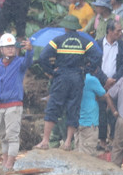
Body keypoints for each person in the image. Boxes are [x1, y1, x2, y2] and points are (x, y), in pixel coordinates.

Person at [34, 15, 99, 150]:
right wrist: (87, 69)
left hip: (61, 77)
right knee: (73, 108)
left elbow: (42, 57)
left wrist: (51, 71)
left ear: (65, 27)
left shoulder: (58, 40)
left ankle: (45, 141)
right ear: (76, 28)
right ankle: (68, 142)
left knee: (53, 106)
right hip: (77, 77)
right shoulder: (84, 42)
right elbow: (97, 55)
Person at [0, 33, 30, 169]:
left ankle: (9, 163)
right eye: (7, 47)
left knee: (12, 135)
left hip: (13, 104)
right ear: (1, 49)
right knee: (2, 135)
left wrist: (29, 51)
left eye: (12, 47)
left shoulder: (19, 63)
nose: (11, 49)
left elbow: (28, 61)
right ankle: (4, 161)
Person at [95, 21, 123, 151]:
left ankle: (115, 139)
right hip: (100, 83)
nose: (120, 34)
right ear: (109, 31)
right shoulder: (98, 44)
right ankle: (102, 140)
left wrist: (113, 80)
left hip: (116, 84)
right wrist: (105, 79)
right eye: (118, 31)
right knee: (101, 112)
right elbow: (94, 64)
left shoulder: (122, 46)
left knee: (115, 111)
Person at [76, 67, 108, 156]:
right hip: (89, 123)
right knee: (87, 157)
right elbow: (104, 95)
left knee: (77, 155)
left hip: (76, 121)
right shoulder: (91, 80)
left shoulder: (74, 78)